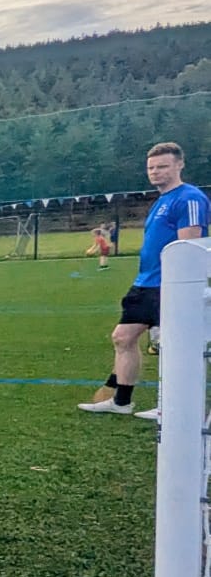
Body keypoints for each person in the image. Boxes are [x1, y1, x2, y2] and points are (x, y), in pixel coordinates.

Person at [80, 143, 208, 416]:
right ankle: (121, 402)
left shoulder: (189, 198)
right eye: (151, 167)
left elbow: (189, 248)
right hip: (145, 284)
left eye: (162, 166)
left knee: (172, 346)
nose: (155, 172)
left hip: (170, 285)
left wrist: (178, 288)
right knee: (122, 338)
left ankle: (173, 407)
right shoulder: (161, 201)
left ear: (179, 165)